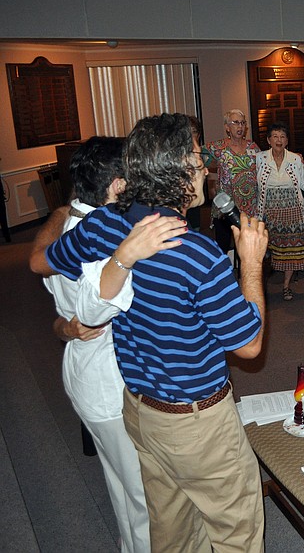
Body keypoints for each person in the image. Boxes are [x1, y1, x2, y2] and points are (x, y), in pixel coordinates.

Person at [33, 113, 268, 551]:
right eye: (199, 159)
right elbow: (249, 345)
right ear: (177, 169)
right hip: (196, 425)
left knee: (173, 535)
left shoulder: (105, 224)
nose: (207, 169)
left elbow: (42, 261)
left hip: (140, 412)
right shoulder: (198, 256)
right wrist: (251, 263)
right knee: (237, 534)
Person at [37, 137, 182, 552]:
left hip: (84, 372)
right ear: (118, 185)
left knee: (121, 485)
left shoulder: (69, 227)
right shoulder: (97, 237)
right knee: (143, 494)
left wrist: (64, 327)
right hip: (106, 378)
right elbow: (99, 307)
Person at [256, 122, 304, 301]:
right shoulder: (259, 158)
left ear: (287, 141)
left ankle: (286, 286)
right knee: (265, 250)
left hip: (292, 209)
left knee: (290, 251)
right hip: (268, 209)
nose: (279, 140)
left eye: (283, 137)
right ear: (269, 140)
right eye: (275, 136)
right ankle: (260, 288)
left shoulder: (294, 159)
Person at [206, 108, 260, 252]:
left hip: (250, 206)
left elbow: (262, 169)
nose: (240, 126)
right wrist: (211, 182)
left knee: (248, 248)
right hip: (225, 206)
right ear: (227, 127)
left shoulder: (253, 147)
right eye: (235, 122)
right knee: (223, 246)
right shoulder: (217, 148)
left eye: (242, 123)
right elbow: (198, 160)